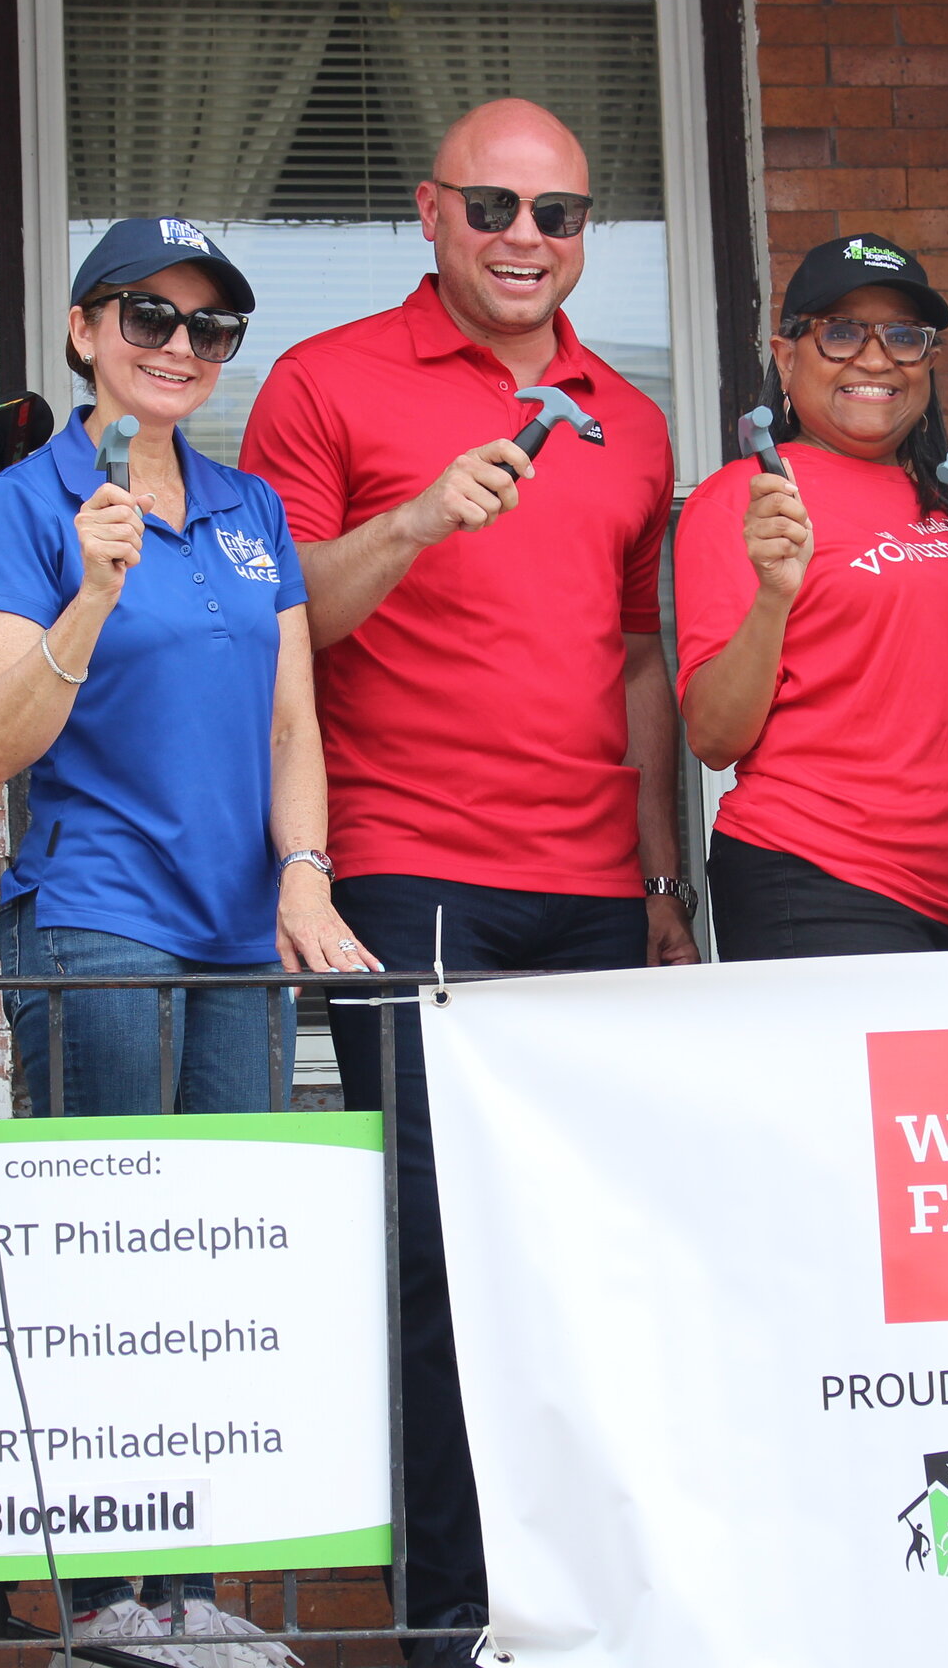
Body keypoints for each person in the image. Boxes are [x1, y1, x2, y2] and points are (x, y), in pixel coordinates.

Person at [238, 98, 696, 1659]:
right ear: (429, 214)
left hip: (589, 889)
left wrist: (659, 883)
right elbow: (275, 620)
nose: (524, 240)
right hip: (410, 870)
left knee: (589, 1263)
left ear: (589, 238)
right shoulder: (324, 381)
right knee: (441, 1270)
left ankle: (589, 1611)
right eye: (494, 208)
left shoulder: (626, 420)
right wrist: (418, 522)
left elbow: (639, 661)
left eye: (558, 215)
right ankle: (449, 1624)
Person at [0, 217, 365, 1666]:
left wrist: (304, 882)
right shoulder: (27, 501)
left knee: (213, 1269)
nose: (178, 348)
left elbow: (292, 725)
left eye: (209, 328)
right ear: (82, 331)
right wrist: (96, 590)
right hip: (98, 924)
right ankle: (106, 1603)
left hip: (241, 939)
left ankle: (183, 1591)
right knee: (106, 1260)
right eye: (148, 316)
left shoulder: (254, 510)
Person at [675, 233, 948, 957]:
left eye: (903, 336)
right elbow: (713, 737)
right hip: (817, 875)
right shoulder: (746, 500)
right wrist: (775, 595)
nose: (874, 358)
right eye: (840, 332)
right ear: (786, 353)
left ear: (929, 360)